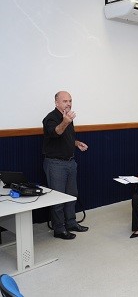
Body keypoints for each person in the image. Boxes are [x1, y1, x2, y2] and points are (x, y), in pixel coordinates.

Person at [42, 91, 89, 240]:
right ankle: (59, 229)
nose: (68, 104)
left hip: (70, 162)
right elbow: (56, 133)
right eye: (65, 101)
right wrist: (65, 121)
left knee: (71, 195)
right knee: (58, 198)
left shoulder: (68, 117)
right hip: (55, 164)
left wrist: (76, 143)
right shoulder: (50, 118)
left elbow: (64, 138)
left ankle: (71, 222)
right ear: (56, 103)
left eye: (70, 101)